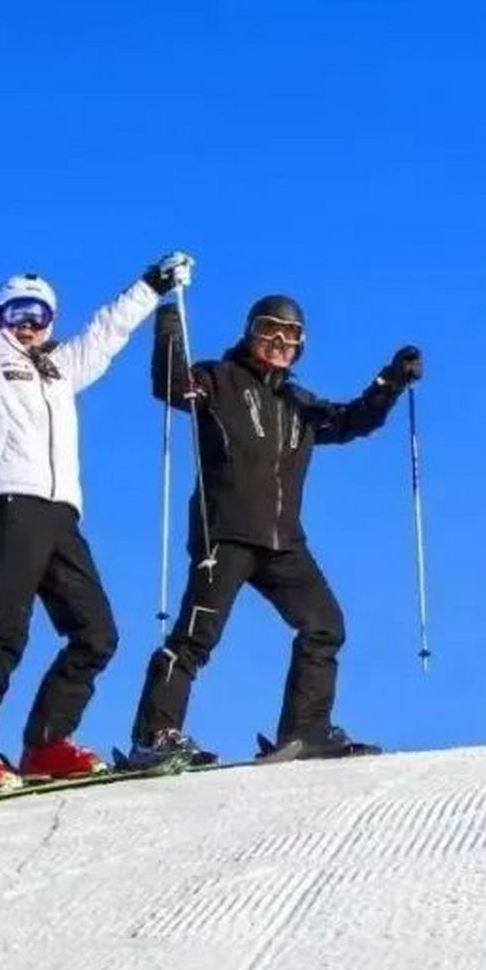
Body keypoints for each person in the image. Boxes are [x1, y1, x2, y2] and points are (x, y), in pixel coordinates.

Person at [0, 192, 193, 796]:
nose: (31, 325)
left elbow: (105, 335)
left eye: (40, 315)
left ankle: (46, 745)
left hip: (61, 513)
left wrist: (151, 286)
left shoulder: (60, 371)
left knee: (97, 632)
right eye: (18, 314)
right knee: (5, 631)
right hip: (10, 503)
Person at [125, 292, 420, 766]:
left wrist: (390, 382)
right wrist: (168, 321)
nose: (280, 341)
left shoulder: (297, 402)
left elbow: (349, 421)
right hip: (226, 532)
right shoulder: (217, 380)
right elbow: (171, 384)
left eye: (292, 335)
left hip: (283, 541)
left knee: (325, 624)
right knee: (197, 635)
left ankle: (305, 730)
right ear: (250, 331)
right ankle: (155, 735)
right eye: (270, 330)